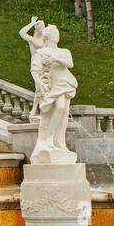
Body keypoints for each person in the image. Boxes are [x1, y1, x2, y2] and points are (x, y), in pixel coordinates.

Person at [29, 23, 77, 164]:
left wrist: (55, 59)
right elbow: (34, 69)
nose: (58, 35)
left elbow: (70, 64)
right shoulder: (41, 53)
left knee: (63, 113)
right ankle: (47, 140)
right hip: (52, 85)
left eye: (58, 33)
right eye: (55, 34)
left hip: (66, 83)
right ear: (48, 37)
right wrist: (38, 82)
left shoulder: (64, 51)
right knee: (60, 108)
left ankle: (59, 143)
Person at [18, 16, 46, 117]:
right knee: (39, 86)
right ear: (38, 29)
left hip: (45, 67)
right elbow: (21, 33)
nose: (44, 28)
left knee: (41, 88)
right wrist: (32, 23)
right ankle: (35, 109)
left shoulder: (46, 40)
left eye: (44, 26)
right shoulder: (32, 39)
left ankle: (36, 110)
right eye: (42, 27)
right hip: (35, 66)